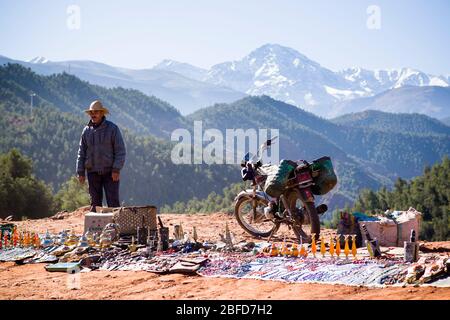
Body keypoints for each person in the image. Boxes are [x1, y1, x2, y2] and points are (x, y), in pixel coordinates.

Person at [76, 100, 126, 212]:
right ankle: (96, 228)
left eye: (96, 112)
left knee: (113, 203)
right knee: (95, 204)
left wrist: (116, 169)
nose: (93, 114)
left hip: (110, 173)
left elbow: (120, 151)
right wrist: (80, 171)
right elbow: (81, 152)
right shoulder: (86, 131)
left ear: (102, 113)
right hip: (92, 172)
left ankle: (116, 227)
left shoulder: (112, 129)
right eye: (91, 112)